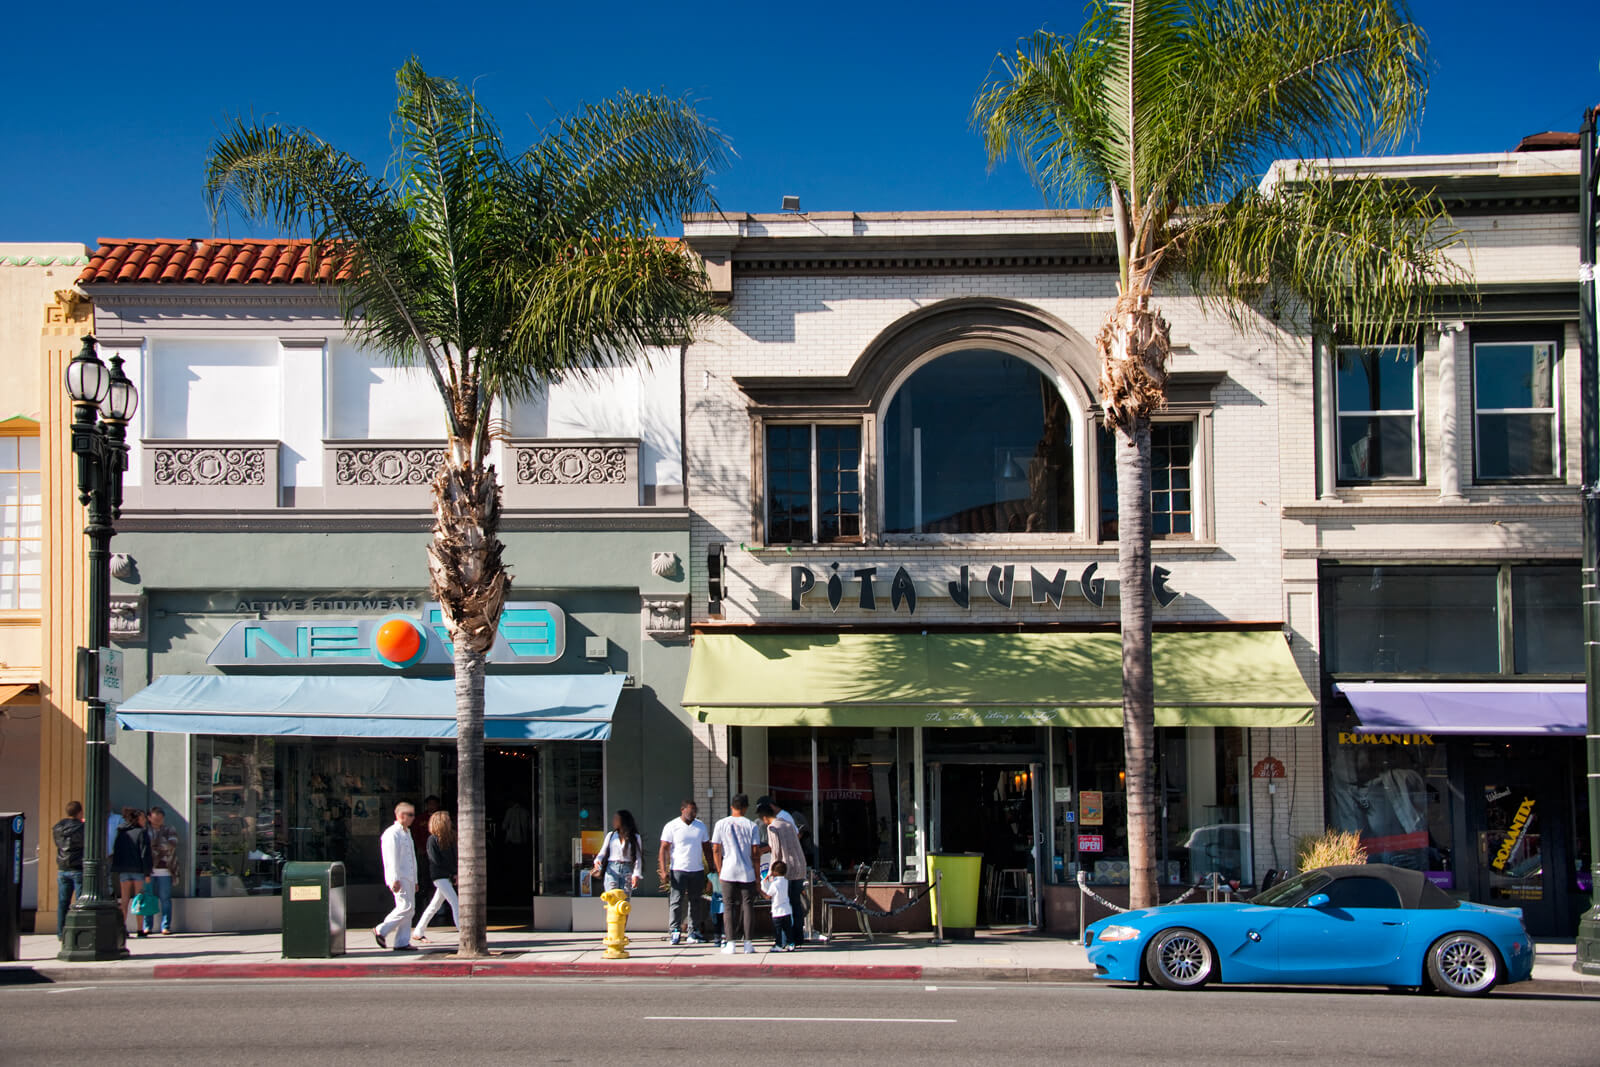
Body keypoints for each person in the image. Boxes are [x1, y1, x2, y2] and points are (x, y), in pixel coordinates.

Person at [658, 800, 712, 945]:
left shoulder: (700, 826)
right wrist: (663, 870)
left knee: (695, 902)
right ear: (682, 809)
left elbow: (707, 847)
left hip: (697, 870)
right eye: (690, 810)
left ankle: (693, 932)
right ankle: (675, 931)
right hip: (678, 870)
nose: (693, 813)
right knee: (676, 901)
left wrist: (712, 868)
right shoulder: (672, 826)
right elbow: (663, 848)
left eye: (695, 811)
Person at [711, 794, 759, 955]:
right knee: (748, 906)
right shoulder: (752, 826)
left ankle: (730, 942)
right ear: (745, 808)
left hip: (728, 870)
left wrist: (719, 869)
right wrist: (757, 875)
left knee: (728, 906)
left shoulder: (721, 824)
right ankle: (748, 943)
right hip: (747, 871)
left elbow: (716, 849)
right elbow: (755, 853)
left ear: (732, 806)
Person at [756, 802, 808, 940]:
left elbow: (776, 852)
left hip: (786, 868)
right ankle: (798, 937)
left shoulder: (772, 828)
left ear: (765, 817)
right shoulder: (788, 824)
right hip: (800, 865)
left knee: (785, 903)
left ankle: (786, 938)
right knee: (796, 902)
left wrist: (771, 872)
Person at [374, 802, 418, 951]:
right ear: (400, 815)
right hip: (400, 876)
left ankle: (402, 941)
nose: (413, 818)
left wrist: (415, 879)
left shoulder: (407, 832)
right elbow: (391, 858)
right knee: (405, 907)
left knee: (410, 910)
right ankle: (382, 929)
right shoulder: (392, 833)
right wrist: (394, 879)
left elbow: (412, 857)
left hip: (409, 876)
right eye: (410, 815)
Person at [412, 810, 458, 945]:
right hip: (439, 875)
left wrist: (454, 872)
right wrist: (451, 872)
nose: (450, 823)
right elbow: (435, 860)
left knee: (434, 905)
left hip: (448, 875)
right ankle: (463, 930)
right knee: (455, 902)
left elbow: (453, 857)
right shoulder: (432, 839)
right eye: (447, 821)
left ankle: (418, 931)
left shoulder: (450, 838)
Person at [109, 808, 152, 934]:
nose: (145, 820)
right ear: (137, 819)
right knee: (139, 899)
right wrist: (147, 872)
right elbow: (145, 854)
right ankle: (140, 929)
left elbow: (116, 850)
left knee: (125, 900)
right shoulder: (141, 833)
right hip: (138, 869)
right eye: (143, 818)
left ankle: (122, 928)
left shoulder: (121, 832)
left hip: (123, 869)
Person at [144, 807, 181, 935]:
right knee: (148, 898)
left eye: (160, 818)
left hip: (165, 869)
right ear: (149, 817)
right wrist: (160, 846)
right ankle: (147, 925)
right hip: (149, 870)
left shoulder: (169, 829)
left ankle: (166, 926)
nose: (158, 821)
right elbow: (144, 848)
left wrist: (154, 846)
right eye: (155, 818)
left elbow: (172, 844)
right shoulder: (145, 831)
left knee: (165, 898)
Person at [52, 801, 85, 940]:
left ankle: (61, 932)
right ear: (79, 812)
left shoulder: (58, 827)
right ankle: (78, 931)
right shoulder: (82, 828)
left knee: (63, 902)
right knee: (80, 902)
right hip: (77, 867)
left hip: (62, 867)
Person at [591, 810, 643, 898]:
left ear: (623, 821)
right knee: (612, 899)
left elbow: (638, 857)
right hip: (612, 869)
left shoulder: (635, 837)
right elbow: (602, 852)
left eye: (616, 819)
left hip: (627, 869)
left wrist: (636, 874)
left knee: (624, 902)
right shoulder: (611, 835)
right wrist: (597, 860)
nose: (613, 821)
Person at [761, 860, 796, 951]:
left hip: (777, 911)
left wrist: (761, 890)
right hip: (787, 910)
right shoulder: (786, 882)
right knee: (788, 929)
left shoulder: (774, 884)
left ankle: (779, 945)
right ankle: (791, 943)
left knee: (778, 930)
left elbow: (768, 896)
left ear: (775, 872)